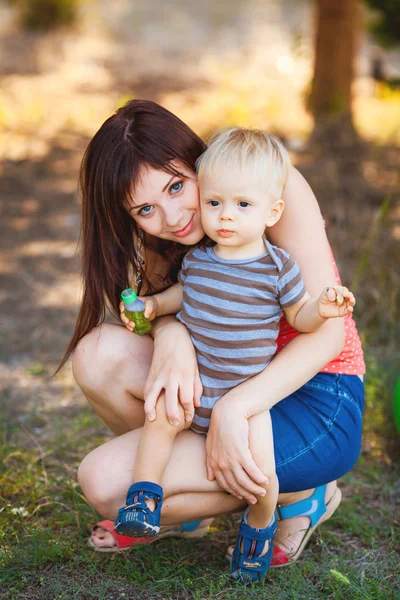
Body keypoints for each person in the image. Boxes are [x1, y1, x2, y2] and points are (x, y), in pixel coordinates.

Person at [59, 99, 365, 571]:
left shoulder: (265, 184)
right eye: (145, 209)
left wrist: (236, 407)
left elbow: (328, 335)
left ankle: (301, 495)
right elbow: (167, 304)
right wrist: (170, 337)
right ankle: (183, 506)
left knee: (104, 483)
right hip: (225, 383)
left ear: (196, 158)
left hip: (314, 393)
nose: (173, 216)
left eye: (178, 185)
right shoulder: (175, 231)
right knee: (97, 353)